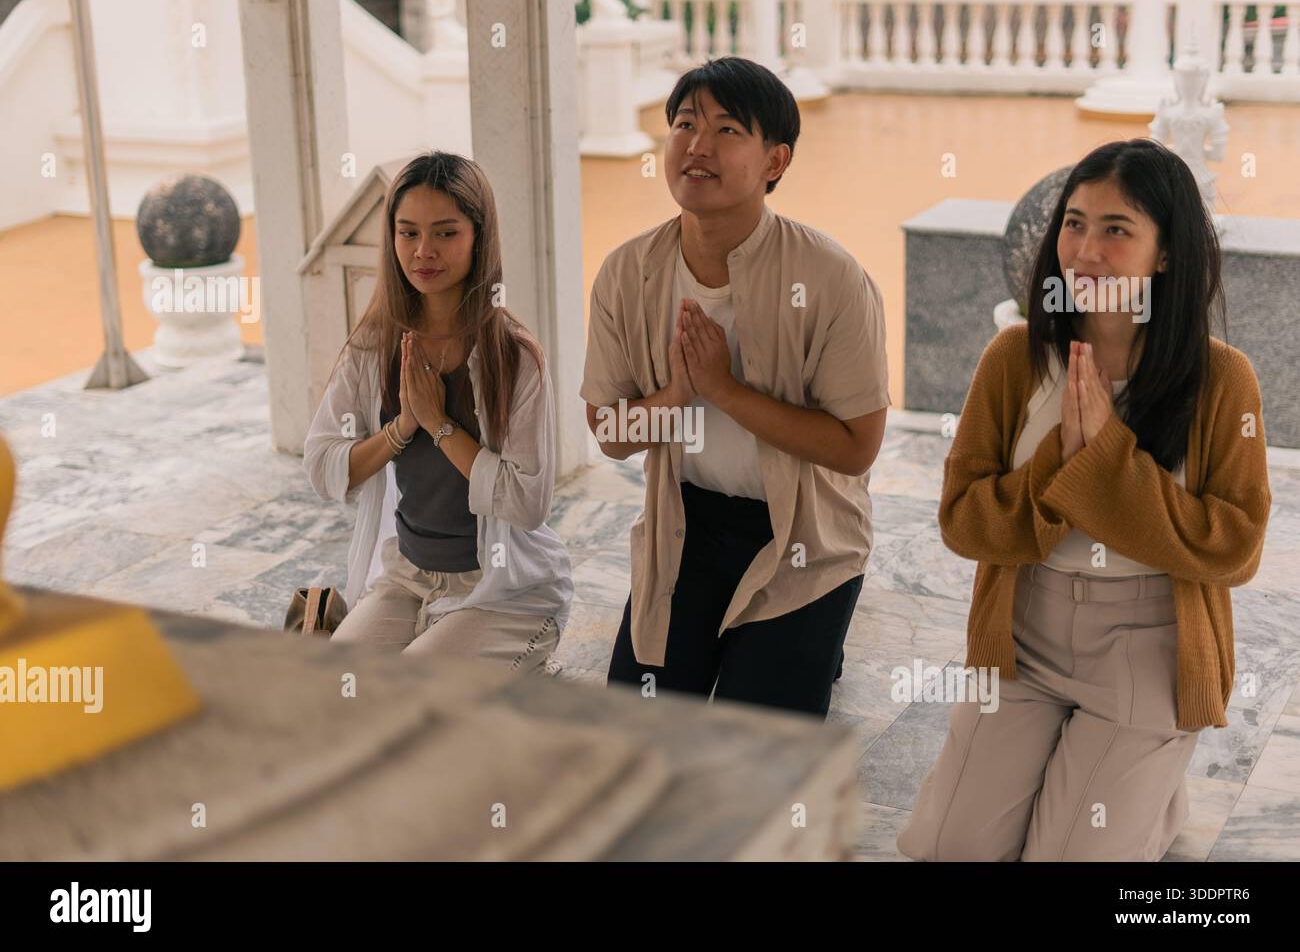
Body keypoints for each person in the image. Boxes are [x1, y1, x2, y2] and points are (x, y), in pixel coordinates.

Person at [897, 138, 1271, 861]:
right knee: (950, 848)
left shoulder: (1224, 380)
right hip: (1026, 634)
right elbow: (961, 518)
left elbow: (1235, 546)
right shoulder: (1014, 357)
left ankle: (1148, 792)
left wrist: (1105, 459)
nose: (1086, 251)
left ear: (1166, 253)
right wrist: (1061, 463)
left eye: (1117, 230)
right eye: (1074, 223)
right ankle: (1123, 782)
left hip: (1149, 648)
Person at [581, 56, 891, 718]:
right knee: (637, 737)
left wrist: (724, 391)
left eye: (727, 130)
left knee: (757, 751)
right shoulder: (628, 273)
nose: (698, 145)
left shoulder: (831, 278)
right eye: (685, 124)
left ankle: (815, 640)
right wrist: (675, 399)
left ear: (775, 161)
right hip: (682, 524)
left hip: (803, 535)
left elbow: (856, 447)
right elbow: (608, 435)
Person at [304, 152, 572, 672]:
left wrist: (440, 425)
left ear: (479, 237)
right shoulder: (375, 344)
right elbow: (322, 466)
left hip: (505, 588)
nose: (423, 251)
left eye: (446, 233)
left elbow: (527, 501)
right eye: (408, 233)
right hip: (409, 576)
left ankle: (524, 666)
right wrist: (403, 427)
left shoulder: (515, 357)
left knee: (415, 695)